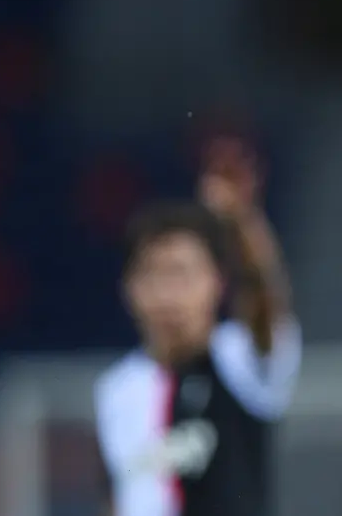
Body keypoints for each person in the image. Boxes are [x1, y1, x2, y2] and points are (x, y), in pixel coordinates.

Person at [93, 139, 301, 516]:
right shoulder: (116, 390)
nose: (169, 294)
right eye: (154, 274)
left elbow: (265, 299)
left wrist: (241, 221)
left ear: (217, 283)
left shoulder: (240, 360)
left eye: (183, 274)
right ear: (129, 288)